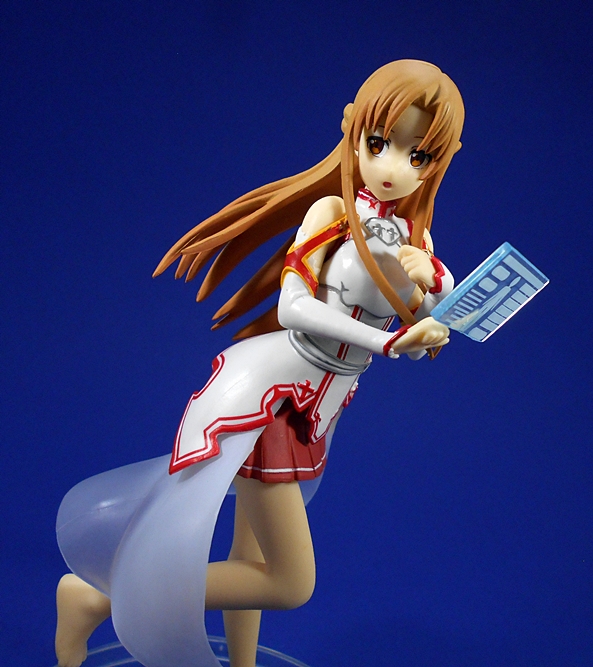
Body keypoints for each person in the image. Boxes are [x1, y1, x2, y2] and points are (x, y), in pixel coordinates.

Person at [55, 59, 465, 667]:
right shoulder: (331, 214)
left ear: (438, 162)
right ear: (353, 131)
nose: (390, 166)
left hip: (316, 408)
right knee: (290, 583)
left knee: (251, 558)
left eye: (417, 155)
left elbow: (431, 313)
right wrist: (387, 343)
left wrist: (433, 298)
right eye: (378, 143)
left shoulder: (416, 240)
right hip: (272, 400)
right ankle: (97, 598)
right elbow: (294, 307)